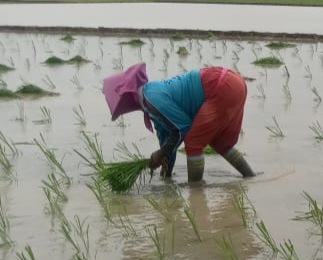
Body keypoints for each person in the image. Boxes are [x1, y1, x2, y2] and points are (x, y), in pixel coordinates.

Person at [102, 62, 256, 182]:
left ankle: (196, 190)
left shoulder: (151, 97)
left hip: (221, 85)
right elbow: (169, 141)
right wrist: (165, 173)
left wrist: (159, 153)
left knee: (193, 141)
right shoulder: (150, 106)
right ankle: (251, 178)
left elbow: (182, 127)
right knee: (221, 143)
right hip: (234, 84)